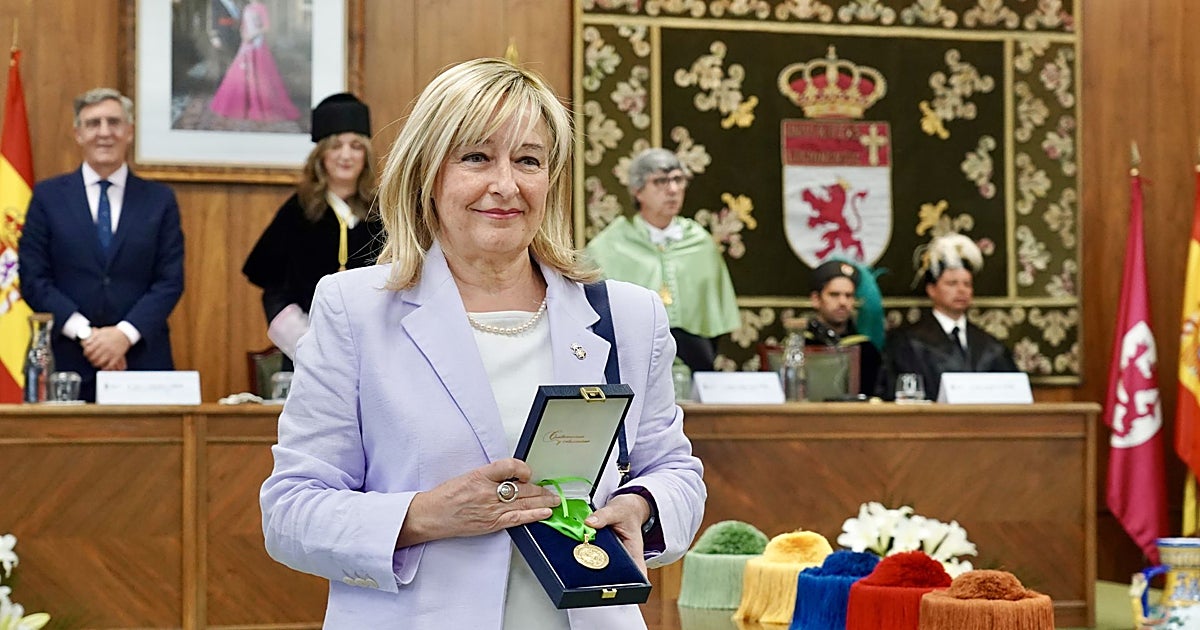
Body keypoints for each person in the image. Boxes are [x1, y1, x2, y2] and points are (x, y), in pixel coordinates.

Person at [259, 58, 706, 628]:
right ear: (427, 173)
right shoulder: (354, 309)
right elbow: (291, 511)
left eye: (528, 160)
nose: (506, 185)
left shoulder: (628, 315)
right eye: (476, 157)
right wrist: (424, 515)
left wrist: (640, 507)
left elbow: (675, 472)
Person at [18, 88, 185, 402]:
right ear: (78, 134)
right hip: (68, 363)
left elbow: (170, 281)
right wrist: (88, 335)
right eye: (93, 124)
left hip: (142, 361)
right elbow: (33, 279)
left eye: (114, 122)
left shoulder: (159, 200)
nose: (104, 133)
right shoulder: (47, 197)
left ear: (129, 132)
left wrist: (123, 335)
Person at [242, 92, 381, 364]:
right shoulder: (298, 212)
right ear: (321, 155)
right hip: (307, 355)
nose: (346, 155)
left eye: (356, 146)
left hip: (373, 354)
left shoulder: (382, 214)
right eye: (336, 146)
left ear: (366, 155)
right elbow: (274, 289)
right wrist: (308, 346)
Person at [585, 148, 740, 373]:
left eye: (678, 179)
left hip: (693, 362)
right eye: (660, 181)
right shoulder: (609, 245)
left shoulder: (701, 242)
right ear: (638, 190)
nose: (673, 189)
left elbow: (715, 318)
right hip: (631, 363)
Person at [882, 233, 1017, 400]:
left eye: (967, 284)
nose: (961, 290)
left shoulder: (990, 345)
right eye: (952, 283)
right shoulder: (907, 342)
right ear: (931, 290)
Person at [209, 0, 299, 122]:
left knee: (259, 75)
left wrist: (253, 35)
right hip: (246, 44)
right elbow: (243, 26)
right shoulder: (246, 8)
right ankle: (240, 105)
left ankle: (259, 105)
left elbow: (266, 27)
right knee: (239, 74)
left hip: (258, 44)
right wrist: (244, 36)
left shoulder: (261, 8)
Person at [804, 259, 883, 397]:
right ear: (816, 299)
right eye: (834, 295)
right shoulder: (799, 346)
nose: (843, 302)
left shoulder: (866, 350)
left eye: (849, 295)